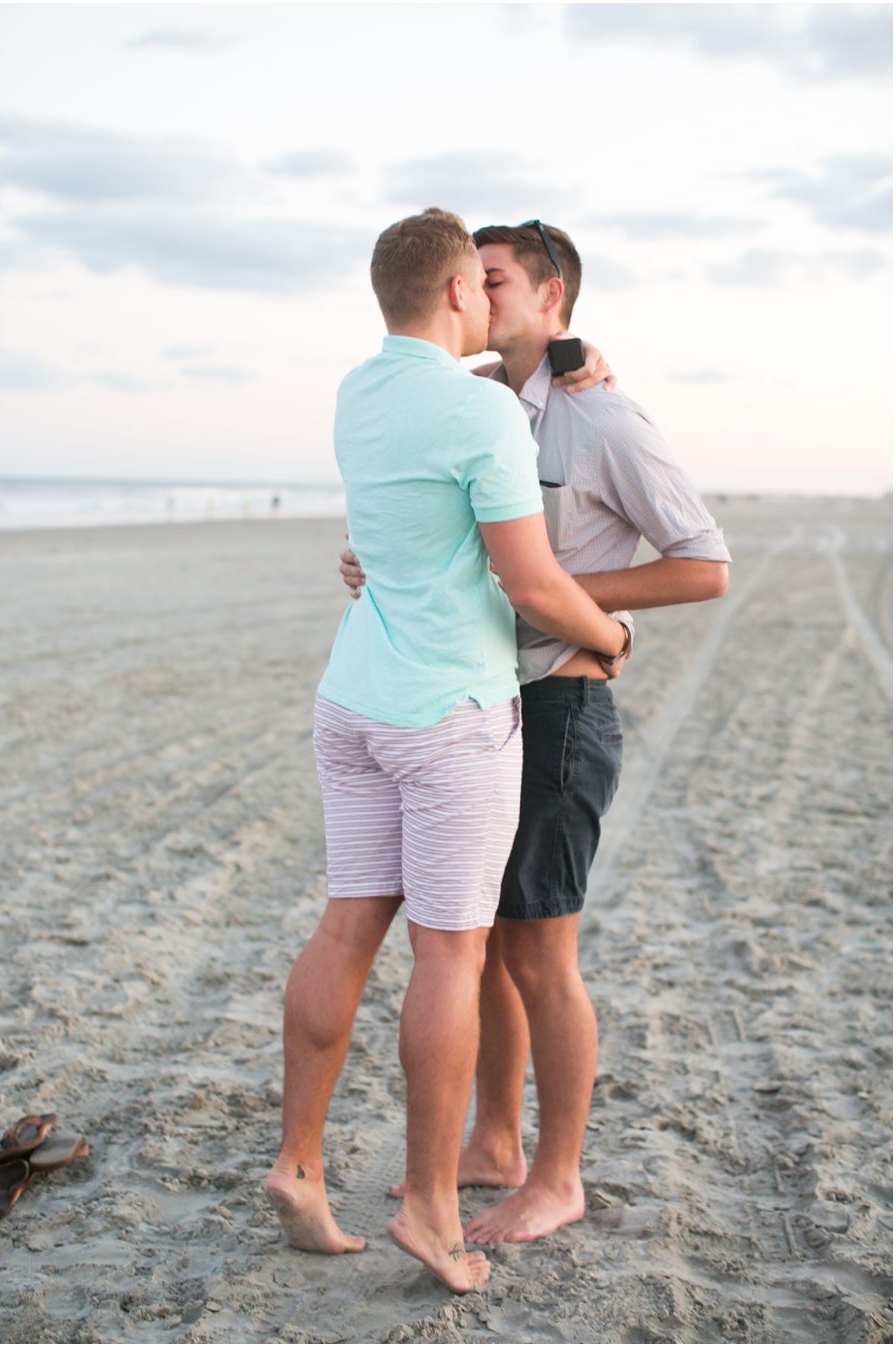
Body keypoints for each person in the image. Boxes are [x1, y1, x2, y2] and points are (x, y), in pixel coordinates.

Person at [340, 220, 731, 1246]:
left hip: (561, 701)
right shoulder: (488, 403)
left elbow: (705, 564)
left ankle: (558, 1176)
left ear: (551, 295)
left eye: (497, 278)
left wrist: (564, 600)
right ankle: (494, 1143)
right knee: (496, 942)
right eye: (473, 279)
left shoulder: (604, 421)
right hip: (482, 704)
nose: (476, 290)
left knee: (544, 957)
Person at [266, 208, 628, 1293]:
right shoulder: (481, 419)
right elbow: (529, 583)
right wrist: (607, 634)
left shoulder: (357, 390)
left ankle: (297, 1163)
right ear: (461, 294)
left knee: (346, 926)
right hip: (446, 716)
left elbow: (416, 513)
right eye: (479, 281)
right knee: (451, 957)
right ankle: (431, 1206)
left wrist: (571, 356)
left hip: (353, 700)